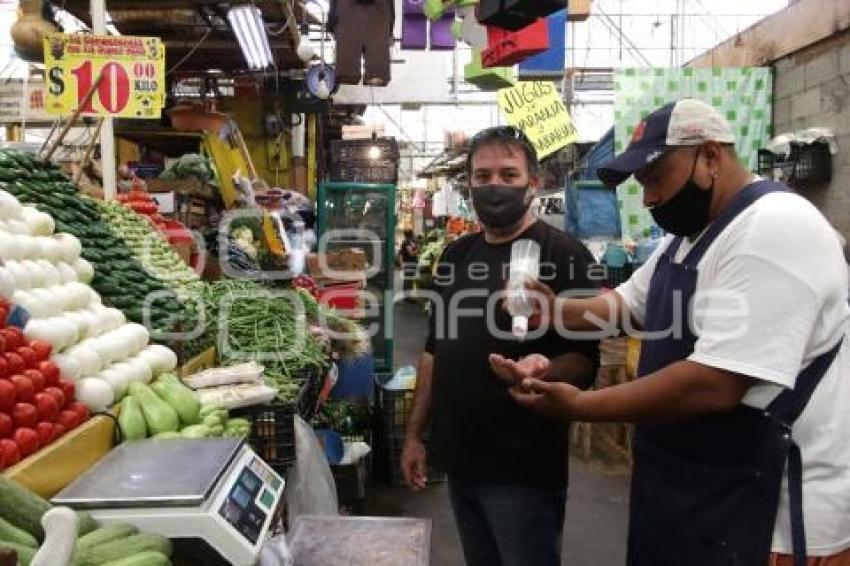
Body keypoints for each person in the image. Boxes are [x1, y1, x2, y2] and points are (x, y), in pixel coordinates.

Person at [490, 99, 850, 566]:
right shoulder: (688, 239)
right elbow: (624, 307)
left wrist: (581, 405)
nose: (649, 198)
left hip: (769, 519)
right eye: (641, 183)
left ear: (711, 157)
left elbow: (715, 382)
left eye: (656, 177)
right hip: (692, 493)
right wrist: (554, 311)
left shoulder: (773, 228)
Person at [400, 125, 600, 566]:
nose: (494, 186)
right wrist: (416, 434)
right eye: (483, 175)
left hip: (522, 467)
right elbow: (435, 350)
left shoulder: (564, 255)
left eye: (508, 175)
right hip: (459, 458)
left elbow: (584, 360)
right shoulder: (455, 257)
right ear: (468, 183)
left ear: (534, 183)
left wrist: (542, 372)